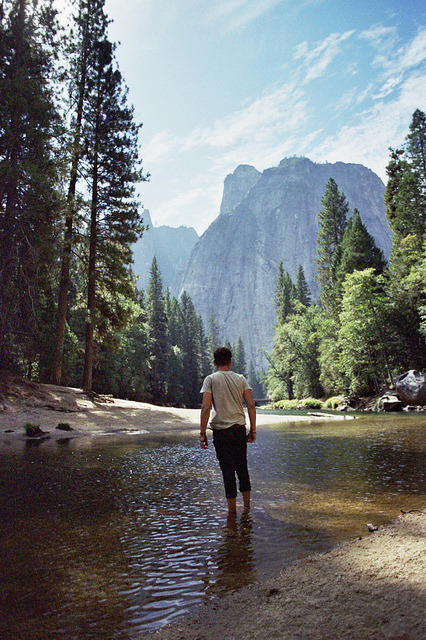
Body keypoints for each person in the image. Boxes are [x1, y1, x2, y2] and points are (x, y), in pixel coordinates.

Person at [199, 346, 256, 515]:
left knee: (227, 471)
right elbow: (251, 405)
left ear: (215, 362)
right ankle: (247, 508)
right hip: (239, 429)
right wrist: (253, 430)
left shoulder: (210, 379)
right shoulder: (241, 379)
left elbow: (205, 407)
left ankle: (232, 513)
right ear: (230, 362)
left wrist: (202, 434)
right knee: (242, 468)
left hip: (221, 432)